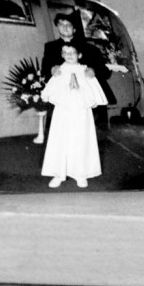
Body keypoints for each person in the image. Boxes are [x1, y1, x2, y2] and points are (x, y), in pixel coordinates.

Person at [40, 43, 107, 188]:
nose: (69, 55)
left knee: (81, 140)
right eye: (65, 52)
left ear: (79, 55)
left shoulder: (85, 71)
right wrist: (66, 89)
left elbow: (93, 94)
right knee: (60, 140)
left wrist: (79, 90)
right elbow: (50, 92)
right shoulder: (59, 71)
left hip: (81, 113)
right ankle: (58, 174)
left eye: (73, 52)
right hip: (63, 113)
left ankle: (81, 174)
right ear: (62, 55)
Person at [41, 12, 115, 140]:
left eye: (68, 24)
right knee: (60, 136)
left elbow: (105, 72)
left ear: (74, 28)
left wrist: (94, 71)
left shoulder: (91, 49)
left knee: (90, 137)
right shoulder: (50, 47)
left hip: (86, 101)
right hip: (62, 101)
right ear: (57, 27)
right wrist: (51, 70)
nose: (65, 27)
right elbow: (44, 70)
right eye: (61, 24)